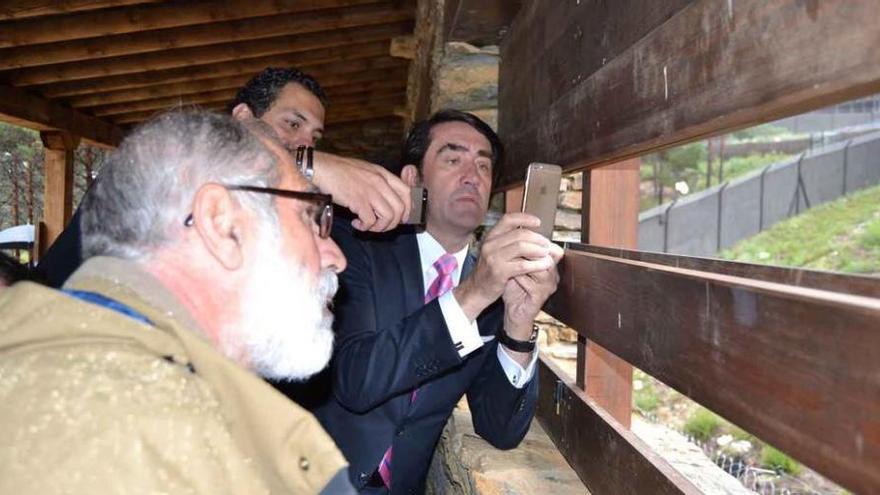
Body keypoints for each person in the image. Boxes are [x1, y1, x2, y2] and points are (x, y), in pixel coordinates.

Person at [0, 111, 356, 494]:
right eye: (308, 214)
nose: (336, 255)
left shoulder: (53, 371)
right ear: (223, 225)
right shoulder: (145, 434)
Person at [313, 109, 564, 493]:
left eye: (484, 165)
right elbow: (355, 381)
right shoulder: (359, 247)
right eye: (452, 159)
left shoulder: (492, 285)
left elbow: (500, 429)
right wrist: (474, 293)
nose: (472, 175)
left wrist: (518, 322)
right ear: (413, 179)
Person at [37, 67, 410, 287]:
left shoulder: (256, 213)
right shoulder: (175, 163)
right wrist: (315, 165)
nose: (304, 143)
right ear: (243, 118)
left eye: (314, 138)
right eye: (292, 124)